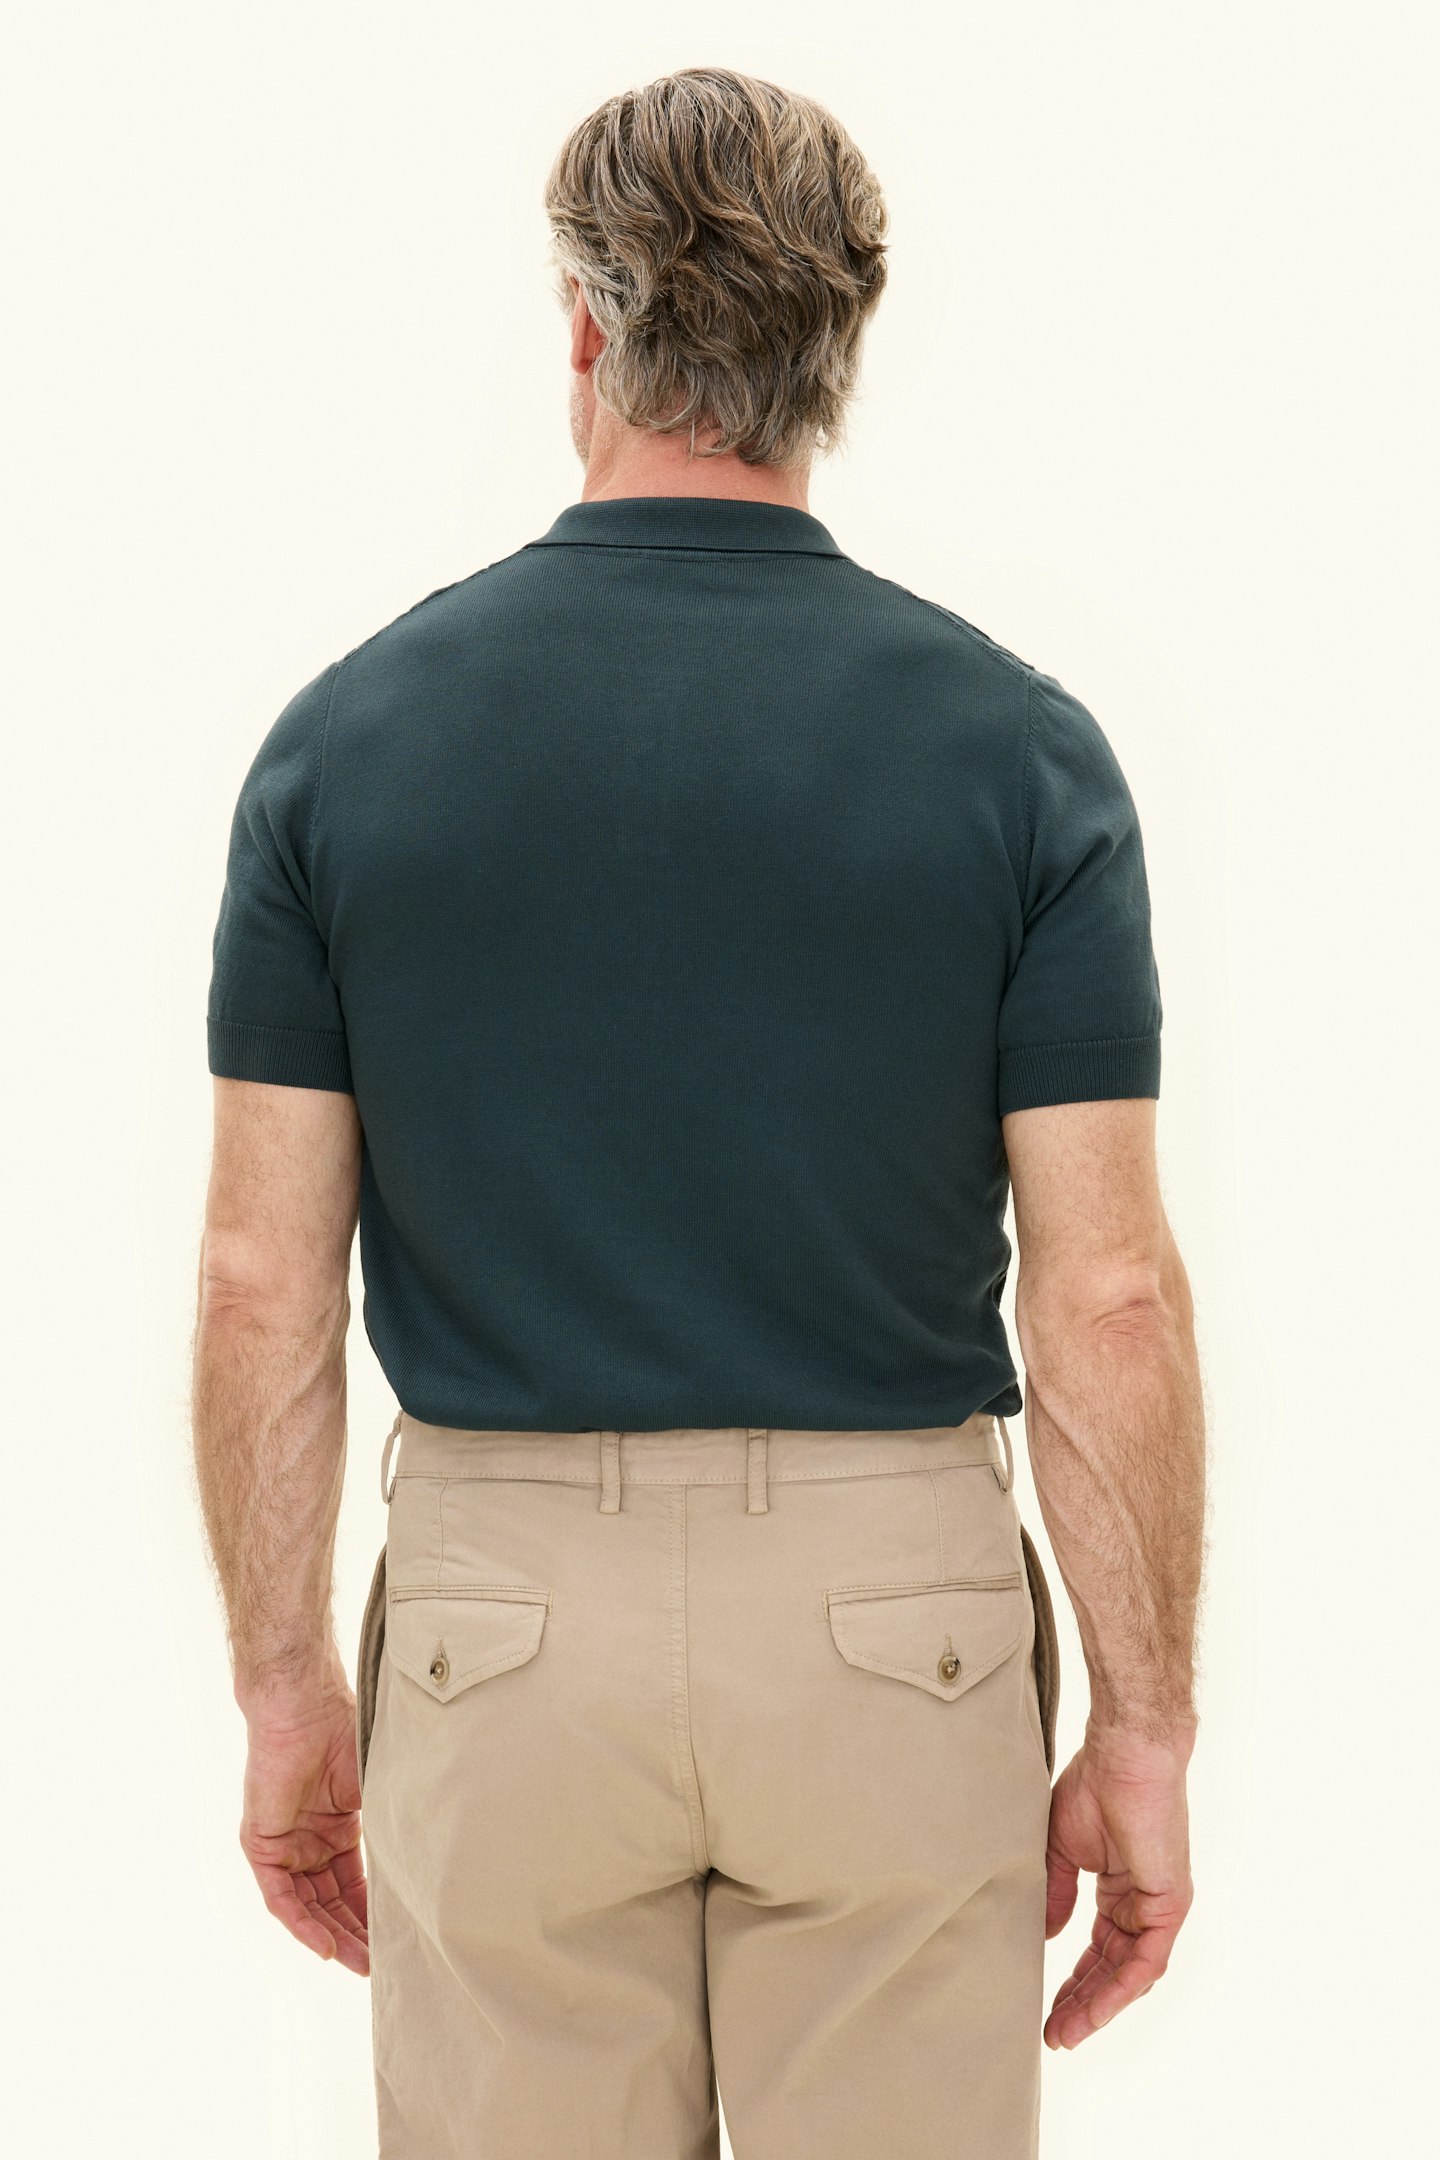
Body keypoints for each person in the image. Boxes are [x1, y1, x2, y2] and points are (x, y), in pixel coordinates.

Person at [191, 65, 1205, 2160]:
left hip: (499, 1629)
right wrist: (1148, 1723)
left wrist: (287, 1690)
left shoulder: (345, 749)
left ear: (582, 323)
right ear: (844, 345)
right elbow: (1105, 1298)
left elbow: (259, 1282)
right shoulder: (1022, 758)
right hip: (894, 1634)